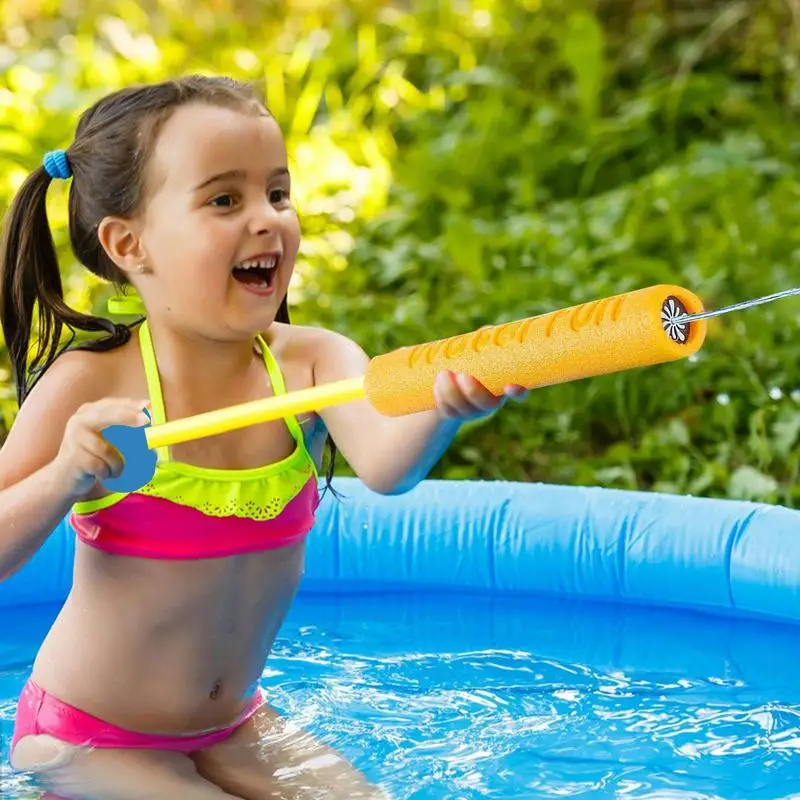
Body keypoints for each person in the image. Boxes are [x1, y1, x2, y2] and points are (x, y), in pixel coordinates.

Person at [0, 74, 527, 800]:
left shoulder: (311, 363)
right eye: (225, 199)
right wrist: (63, 475)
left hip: (234, 724)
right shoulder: (91, 386)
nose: (267, 220)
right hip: (86, 737)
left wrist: (446, 409)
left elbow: (384, 466)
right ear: (130, 243)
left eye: (277, 194)